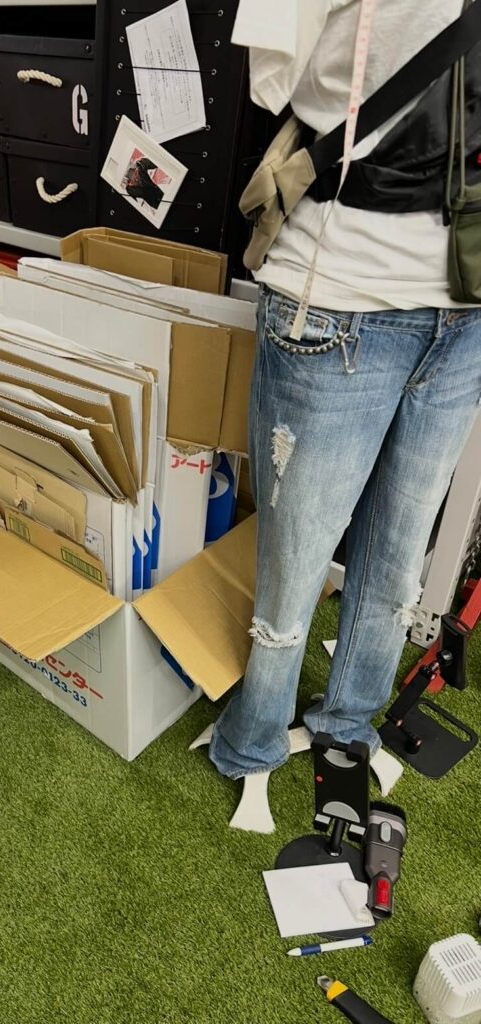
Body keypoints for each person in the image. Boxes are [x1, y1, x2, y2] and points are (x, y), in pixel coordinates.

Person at [202, 0, 481, 831]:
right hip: (339, 291)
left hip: (465, 304)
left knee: (397, 556)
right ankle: (253, 740)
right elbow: (275, 83)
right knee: (300, 560)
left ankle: (347, 723)